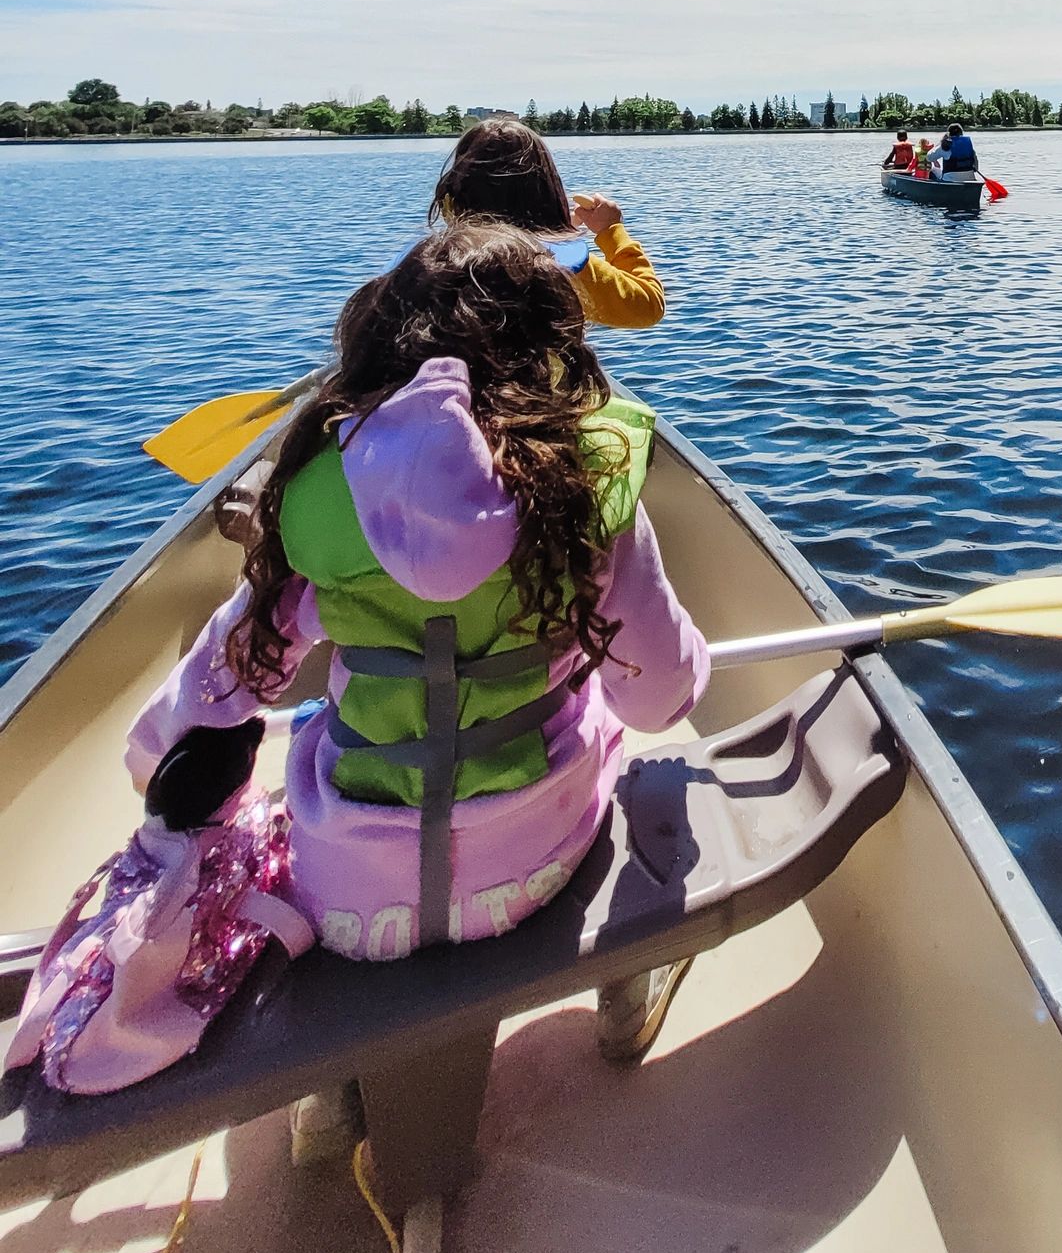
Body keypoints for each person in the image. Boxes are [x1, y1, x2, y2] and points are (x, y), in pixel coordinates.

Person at [125, 223, 707, 961]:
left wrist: (153, 764)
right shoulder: (585, 489)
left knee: (314, 722)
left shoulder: (314, 496)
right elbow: (661, 700)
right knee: (599, 711)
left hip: (347, 900)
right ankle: (632, 969)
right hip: (533, 868)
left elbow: (208, 695)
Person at [431, 116, 664, 329]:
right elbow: (647, 307)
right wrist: (611, 231)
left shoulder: (428, 264)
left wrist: (562, 232)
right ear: (546, 191)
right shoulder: (556, 264)